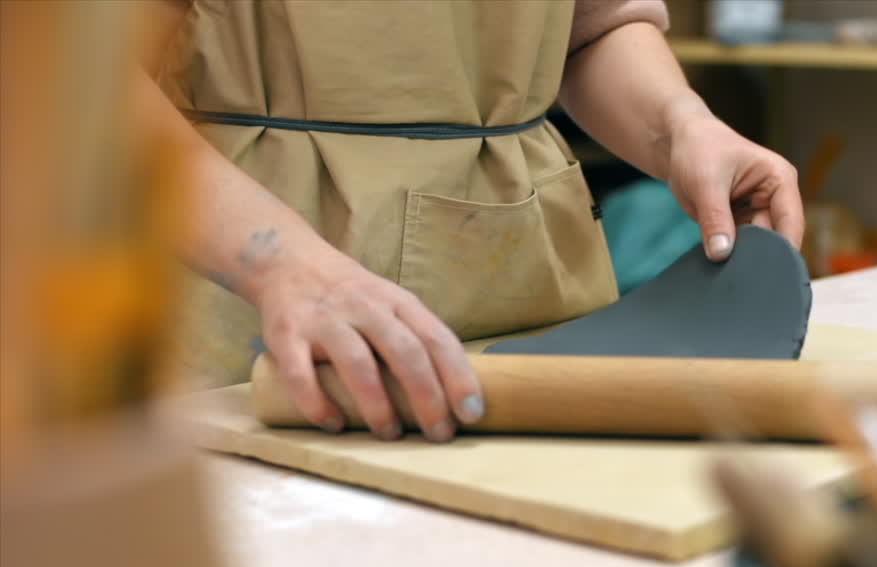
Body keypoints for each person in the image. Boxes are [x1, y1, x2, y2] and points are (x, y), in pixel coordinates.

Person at [138, 0, 803, 442]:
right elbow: (80, 83)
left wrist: (680, 125)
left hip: (531, 282)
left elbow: (594, 25)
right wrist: (281, 263)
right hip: (252, 296)